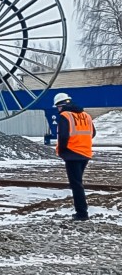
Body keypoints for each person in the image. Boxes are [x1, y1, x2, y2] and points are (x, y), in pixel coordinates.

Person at [54, 92, 96, 222]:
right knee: (77, 183)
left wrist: (61, 151)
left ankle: (82, 213)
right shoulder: (86, 115)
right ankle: (82, 211)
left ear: (60, 106)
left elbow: (63, 136)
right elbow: (93, 133)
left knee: (76, 185)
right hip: (85, 153)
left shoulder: (64, 116)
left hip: (72, 154)